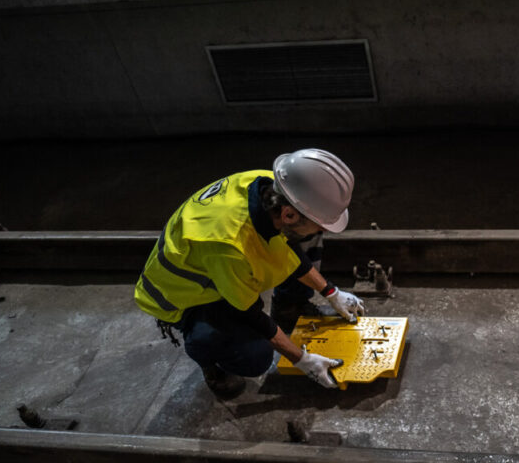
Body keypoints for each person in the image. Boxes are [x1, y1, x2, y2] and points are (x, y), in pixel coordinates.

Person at [133, 149, 366, 396]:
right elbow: (249, 314)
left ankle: (289, 308)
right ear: (288, 214)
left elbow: (286, 247)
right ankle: (206, 357)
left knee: (306, 235)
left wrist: (331, 292)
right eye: (320, 223)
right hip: (182, 297)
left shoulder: (271, 186)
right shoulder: (231, 246)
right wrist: (302, 360)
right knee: (254, 357)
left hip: (213, 265)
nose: (324, 230)